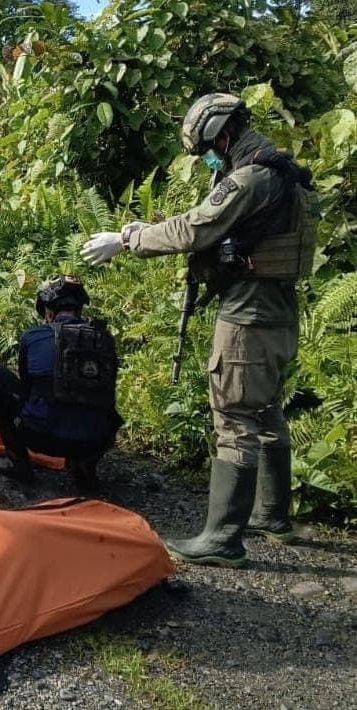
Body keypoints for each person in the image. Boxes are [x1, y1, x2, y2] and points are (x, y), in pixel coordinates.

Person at [81, 93, 319, 567]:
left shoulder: (250, 179)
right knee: (266, 410)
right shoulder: (283, 173)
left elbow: (195, 228)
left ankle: (222, 539)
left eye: (208, 151)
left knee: (234, 417)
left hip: (248, 313)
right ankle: (272, 515)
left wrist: (127, 239)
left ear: (221, 137)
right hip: (278, 309)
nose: (208, 160)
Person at [0, 276, 122, 492]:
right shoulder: (104, 338)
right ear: (79, 308)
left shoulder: (33, 336)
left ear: (48, 311)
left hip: (40, 436)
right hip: (97, 440)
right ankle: (84, 463)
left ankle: (18, 462)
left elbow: (26, 389)